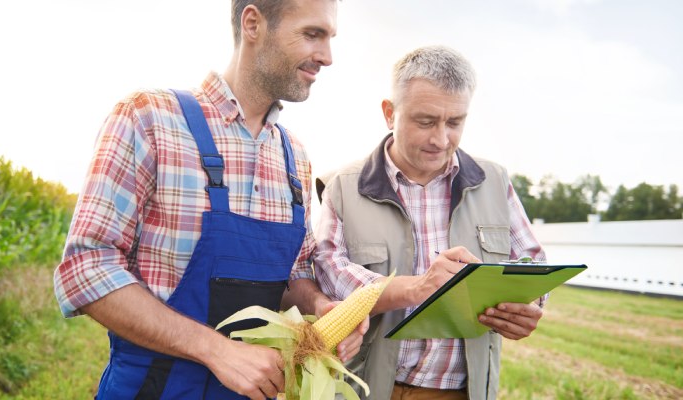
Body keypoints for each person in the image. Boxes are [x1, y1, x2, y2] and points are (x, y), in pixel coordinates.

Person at [53, 1, 367, 399]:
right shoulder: (149, 119)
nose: (327, 56)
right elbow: (85, 268)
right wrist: (215, 350)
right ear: (253, 24)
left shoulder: (295, 157)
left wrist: (319, 307)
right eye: (312, 34)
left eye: (329, 38)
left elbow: (294, 276)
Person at [313, 45, 547, 400]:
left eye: (455, 122)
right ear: (389, 113)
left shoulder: (496, 182)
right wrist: (417, 287)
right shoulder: (342, 187)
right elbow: (328, 273)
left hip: (463, 393)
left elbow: (533, 263)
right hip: (370, 390)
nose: (441, 139)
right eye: (425, 121)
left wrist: (530, 306)